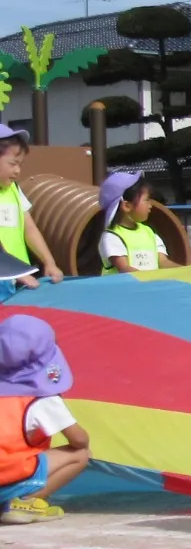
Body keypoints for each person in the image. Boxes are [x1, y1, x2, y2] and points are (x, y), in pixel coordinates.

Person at [0, 315, 91, 524]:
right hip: (9, 475)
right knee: (80, 454)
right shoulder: (41, 399)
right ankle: (24, 501)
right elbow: (79, 440)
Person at [0, 124, 63, 290]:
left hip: (19, 277)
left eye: (21, 164)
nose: (17, 171)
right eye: (13, 164)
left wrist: (49, 262)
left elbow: (30, 229)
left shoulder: (14, 189)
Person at [98, 171, 177, 276]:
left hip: (147, 289)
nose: (151, 205)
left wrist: (188, 271)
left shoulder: (149, 232)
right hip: (122, 291)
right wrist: (150, 281)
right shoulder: (112, 237)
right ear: (127, 206)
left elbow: (163, 262)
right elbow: (124, 268)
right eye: (147, 200)